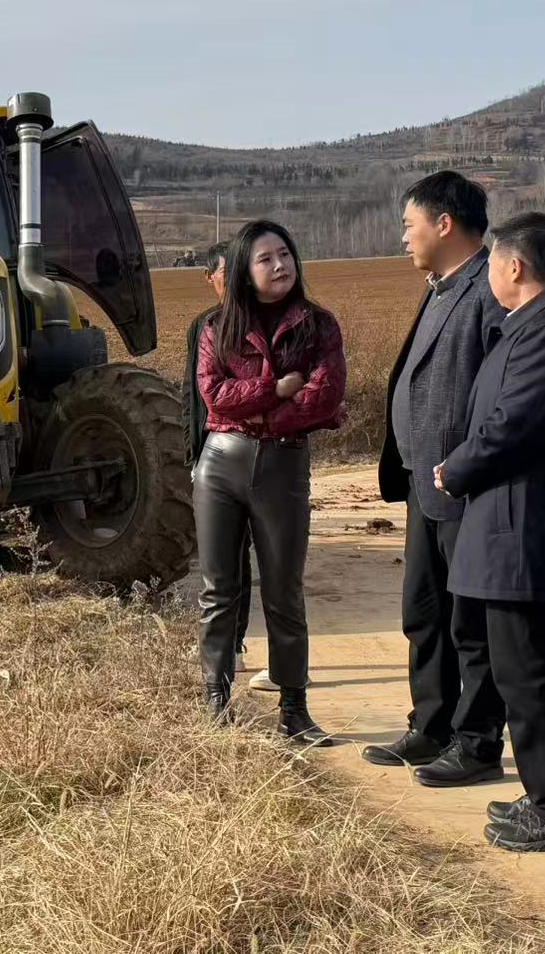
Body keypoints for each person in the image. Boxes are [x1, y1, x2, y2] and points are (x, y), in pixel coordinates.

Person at [433, 213, 545, 852]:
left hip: (529, 530)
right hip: (523, 527)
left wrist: (457, 468)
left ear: (514, 265)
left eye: (492, 263)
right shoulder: (541, 320)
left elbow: (515, 424)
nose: (489, 273)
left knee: (531, 671)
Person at [364, 172, 508, 786]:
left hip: (464, 483)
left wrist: (470, 461)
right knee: (424, 613)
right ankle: (431, 725)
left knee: (470, 623)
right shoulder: (442, 287)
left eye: (409, 224)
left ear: (444, 224)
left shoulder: (491, 287)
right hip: (425, 483)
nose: (404, 237)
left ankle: (476, 742)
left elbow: (500, 395)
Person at [195, 219, 345, 745]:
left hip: (282, 464)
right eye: (266, 258)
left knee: (284, 591)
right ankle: (216, 703)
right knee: (219, 590)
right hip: (220, 466)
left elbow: (324, 396)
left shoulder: (318, 325)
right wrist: (276, 388)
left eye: (285, 253)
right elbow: (214, 395)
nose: (280, 265)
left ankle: (294, 711)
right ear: (244, 269)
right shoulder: (217, 327)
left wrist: (264, 417)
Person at [183, 242, 252, 674]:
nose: (235, 280)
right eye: (227, 273)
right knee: (222, 557)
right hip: (213, 452)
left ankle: (238, 644)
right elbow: (193, 396)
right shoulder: (203, 326)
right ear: (209, 278)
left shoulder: (262, 320)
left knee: (250, 554)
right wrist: (192, 453)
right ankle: (224, 648)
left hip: (255, 453)